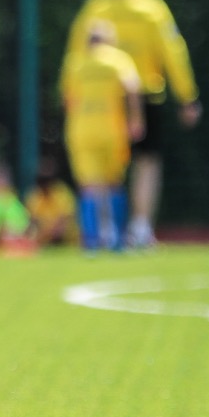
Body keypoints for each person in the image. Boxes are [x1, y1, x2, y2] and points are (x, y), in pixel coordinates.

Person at [62, 0, 200, 248]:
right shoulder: (152, 9)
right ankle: (138, 227)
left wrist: (69, 97)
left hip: (99, 103)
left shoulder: (95, 8)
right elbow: (173, 52)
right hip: (145, 96)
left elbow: (74, 55)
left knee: (104, 168)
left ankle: (104, 231)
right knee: (146, 162)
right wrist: (188, 97)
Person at [62, 20, 145, 251]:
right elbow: (133, 88)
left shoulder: (75, 62)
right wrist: (136, 120)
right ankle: (118, 240)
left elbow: (69, 100)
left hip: (82, 130)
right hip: (112, 129)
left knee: (89, 185)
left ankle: (92, 240)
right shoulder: (118, 60)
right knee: (114, 183)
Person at [24, 155, 78, 247]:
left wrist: (42, 236)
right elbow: (31, 222)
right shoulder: (35, 196)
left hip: (67, 241)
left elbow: (61, 227)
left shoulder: (62, 193)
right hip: (44, 241)